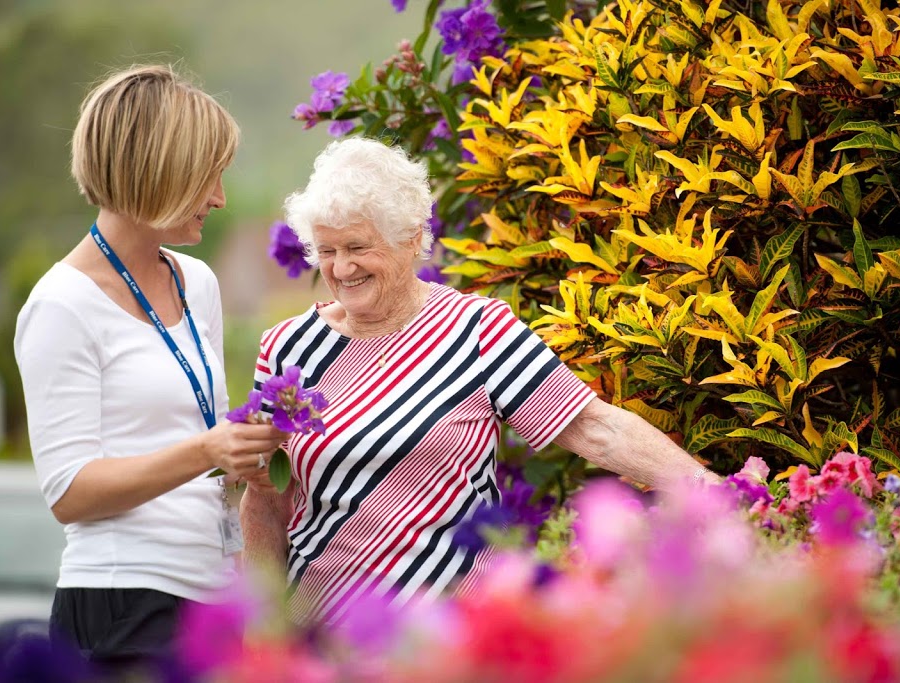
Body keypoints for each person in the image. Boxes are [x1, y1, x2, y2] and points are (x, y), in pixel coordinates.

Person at [240, 137, 719, 626]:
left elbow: (595, 428)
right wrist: (262, 632)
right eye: (327, 251)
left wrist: (714, 493)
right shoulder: (287, 348)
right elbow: (265, 500)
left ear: (409, 238)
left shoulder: (477, 329)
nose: (342, 268)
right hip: (321, 631)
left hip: (453, 631)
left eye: (358, 247)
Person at [13, 65, 286, 670]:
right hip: (121, 606)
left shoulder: (198, 283)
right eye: (207, 177)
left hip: (208, 600)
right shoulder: (61, 305)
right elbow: (70, 493)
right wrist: (209, 451)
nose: (220, 197)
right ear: (156, 173)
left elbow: (208, 457)